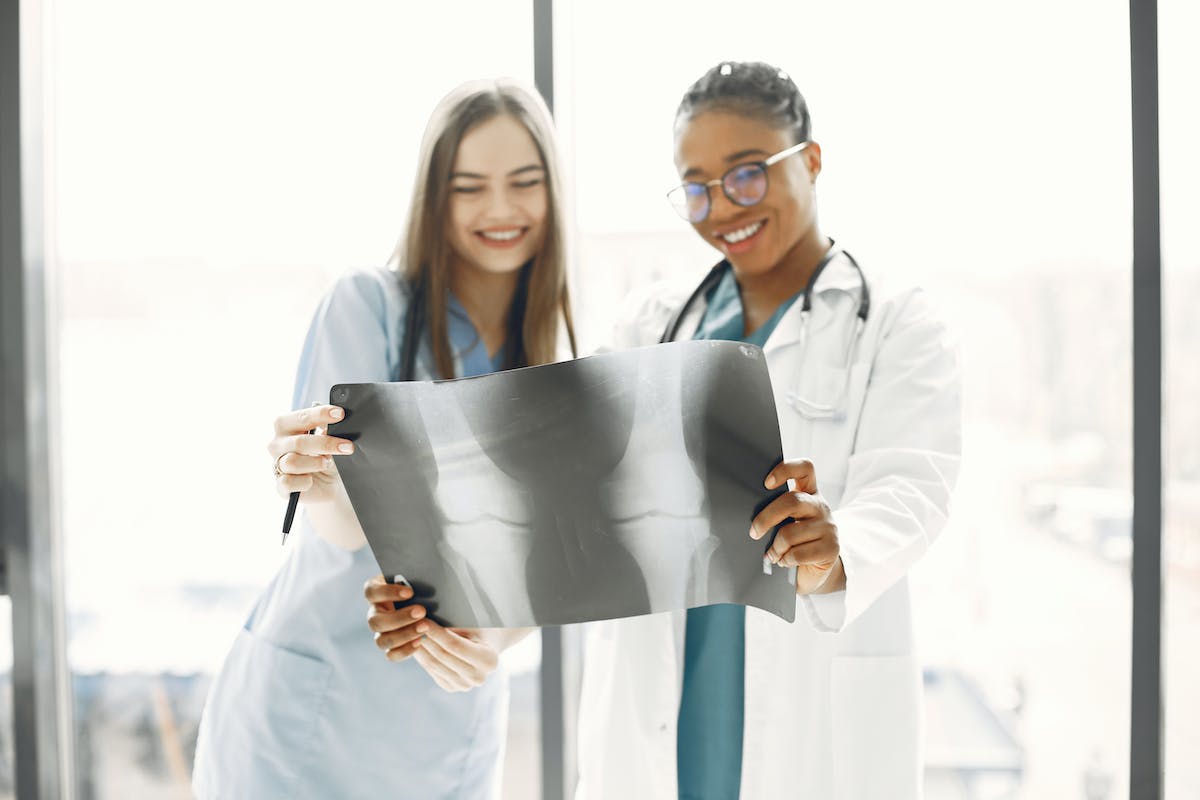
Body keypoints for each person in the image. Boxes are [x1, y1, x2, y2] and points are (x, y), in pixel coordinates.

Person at [571, 61, 962, 799]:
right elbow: (575, 466)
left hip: (812, 724)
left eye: (746, 175)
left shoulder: (897, 324)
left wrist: (833, 550)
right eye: (697, 187)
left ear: (811, 160)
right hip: (656, 716)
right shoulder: (647, 327)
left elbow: (913, 487)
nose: (722, 207)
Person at [191, 77, 576, 799]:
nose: (501, 209)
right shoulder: (368, 305)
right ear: (434, 198)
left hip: (449, 734)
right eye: (469, 187)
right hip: (306, 724)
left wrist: (492, 640)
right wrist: (319, 478)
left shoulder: (558, 361)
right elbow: (339, 528)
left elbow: (551, 571)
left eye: (525, 183)